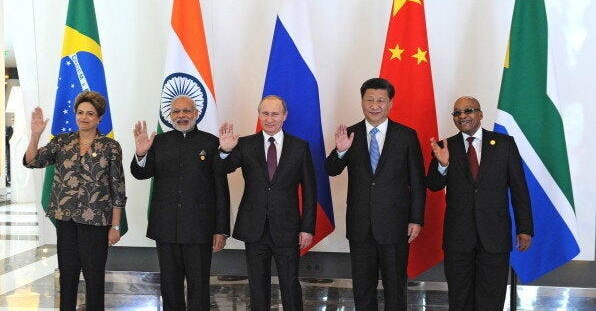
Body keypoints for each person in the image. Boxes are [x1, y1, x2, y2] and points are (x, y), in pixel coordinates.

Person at [325, 78, 425, 310]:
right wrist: (340, 152)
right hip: (360, 225)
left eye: (381, 100)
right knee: (363, 287)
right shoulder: (350, 134)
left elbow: (417, 182)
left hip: (395, 225)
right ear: (362, 101)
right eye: (369, 99)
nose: (374, 105)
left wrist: (416, 219)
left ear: (390, 103)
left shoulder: (406, 135)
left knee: (395, 286)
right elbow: (331, 170)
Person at [426, 96, 534, 310]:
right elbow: (434, 185)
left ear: (481, 114)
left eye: (468, 110)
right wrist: (442, 165)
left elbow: (519, 188)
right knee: (460, 298)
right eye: (457, 113)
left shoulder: (504, 144)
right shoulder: (444, 147)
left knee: (491, 299)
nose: (462, 116)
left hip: (494, 236)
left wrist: (525, 228)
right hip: (458, 237)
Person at [24, 91, 126, 311]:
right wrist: (35, 136)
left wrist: (115, 226)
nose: (84, 117)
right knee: (67, 277)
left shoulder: (110, 147)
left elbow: (117, 189)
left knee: (94, 278)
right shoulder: (62, 142)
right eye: (80, 112)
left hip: (96, 223)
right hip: (66, 221)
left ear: (99, 118)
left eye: (90, 113)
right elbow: (32, 161)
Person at [130, 95, 230, 310]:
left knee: (199, 286)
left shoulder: (211, 143)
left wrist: (221, 229)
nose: (181, 116)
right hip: (166, 229)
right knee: (169, 286)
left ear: (195, 113)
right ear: (170, 115)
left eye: (186, 111)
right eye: (176, 112)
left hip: (200, 231)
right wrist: (141, 154)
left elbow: (221, 190)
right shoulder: (159, 142)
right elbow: (141, 174)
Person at [217, 95, 317, 310]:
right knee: (257, 285)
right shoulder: (244, 144)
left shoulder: (300, 147)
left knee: (290, 284)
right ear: (259, 114)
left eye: (275, 114)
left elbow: (310, 191)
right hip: (254, 228)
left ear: (284, 116)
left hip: (288, 228)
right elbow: (222, 169)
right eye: (265, 113)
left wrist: (307, 227)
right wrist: (225, 151)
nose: (269, 119)